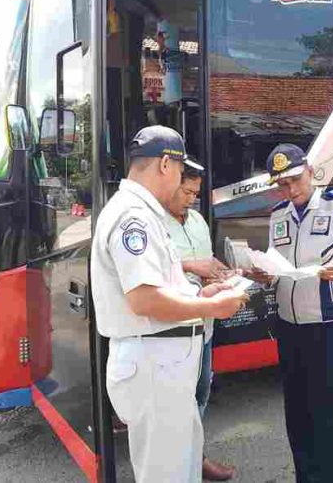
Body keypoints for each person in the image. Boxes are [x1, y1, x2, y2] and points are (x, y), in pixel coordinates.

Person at [91, 125, 248, 483]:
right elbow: (144, 298)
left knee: (182, 467)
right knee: (167, 474)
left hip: (164, 366)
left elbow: (159, 286)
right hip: (155, 367)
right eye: (180, 171)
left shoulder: (144, 212)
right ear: (165, 164)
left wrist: (199, 295)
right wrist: (211, 309)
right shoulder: (135, 216)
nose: (181, 182)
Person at [249, 143, 333, 483]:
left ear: (309, 170)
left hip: (326, 326)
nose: (290, 189)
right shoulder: (279, 215)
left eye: (294, 179)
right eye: (282, 184)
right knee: (298, 415)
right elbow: (277, 264)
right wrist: (265, 273)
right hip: (289, 328)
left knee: (329, 416)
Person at [165, 160, 237, 481]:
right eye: (187, 191)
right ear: (171, 185)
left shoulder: (197, 221)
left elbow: (207, 263)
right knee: (175, 402)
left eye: (196, 192)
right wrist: (194, 266)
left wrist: (226, 273)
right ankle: (176, 466)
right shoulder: (152, 223)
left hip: (203, 328)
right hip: (173, 332)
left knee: (201, 395)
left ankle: (196, 457)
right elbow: (151, 272)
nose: (192, 198)